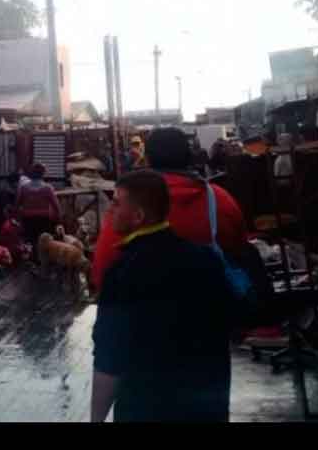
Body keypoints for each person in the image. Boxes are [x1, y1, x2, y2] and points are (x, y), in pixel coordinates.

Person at [91, 170, 233, 422]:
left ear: (138, 216)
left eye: (116, 203)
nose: (110, 210)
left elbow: (109, 359)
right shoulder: (206, 260)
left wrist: (96, 419)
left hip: (147, 407)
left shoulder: (122, 274)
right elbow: (225, 330)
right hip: (206, 407)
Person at [91, 127, 247, 293]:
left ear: (148, 159)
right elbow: (241, 252)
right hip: (215, 311)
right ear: (190, 157)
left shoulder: (128, 204)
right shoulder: (218, 198)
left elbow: (101, 271)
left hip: (145, 313)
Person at [15, 163, 63, 248]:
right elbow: (56, 206)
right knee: (44, 242)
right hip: (44, 220)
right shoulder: (48, 188)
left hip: (28, 220)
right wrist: (59, 220)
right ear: (43, 174)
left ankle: (31, 258)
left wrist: (19, 218)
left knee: (30, 241)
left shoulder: (24, 188)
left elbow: (18, 204)